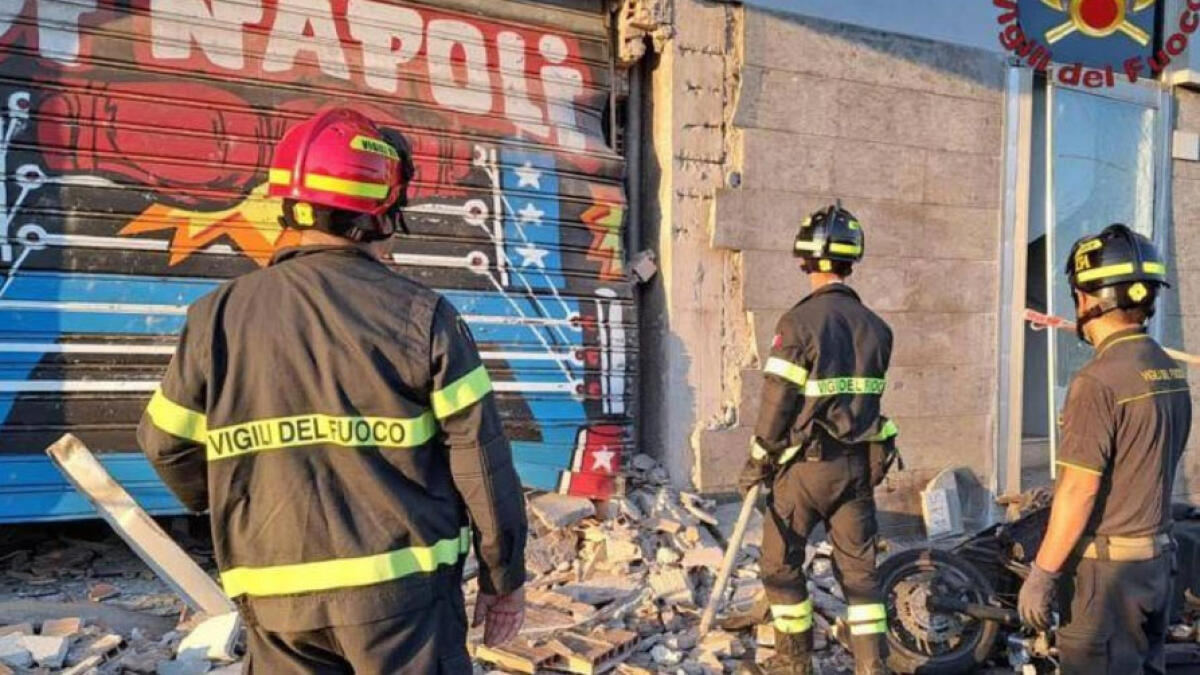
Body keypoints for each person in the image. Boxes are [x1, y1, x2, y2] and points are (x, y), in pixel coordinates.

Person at [138, 108, 528, 674]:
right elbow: (481, 461)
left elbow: (166, 446)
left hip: (276, 604)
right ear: (383, 215)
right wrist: (503, 576)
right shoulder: (425, 318)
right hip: (405, 604)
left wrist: (237, 492)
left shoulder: (214, 319)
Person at [1018, 224, 1189, 675]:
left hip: (1106, 581)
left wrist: (1043, 574)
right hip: (1156, 569)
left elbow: (1079, 491)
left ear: (1088, 299)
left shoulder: (1096, 381)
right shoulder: (1168, 371)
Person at [740, 204, 897, 675]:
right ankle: (873, 667)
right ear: (851, 261)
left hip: (803, 470)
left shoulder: (798, 324)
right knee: (861, 576)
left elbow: (777, 403)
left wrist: (758, 459)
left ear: (804, 260)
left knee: (780, 563)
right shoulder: (878, 329)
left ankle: (794, 664)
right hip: (856, 470)